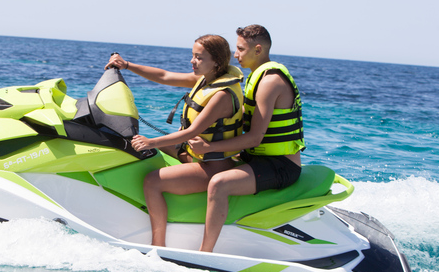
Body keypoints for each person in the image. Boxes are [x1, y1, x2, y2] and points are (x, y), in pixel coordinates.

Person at [106, 35, 244, 247]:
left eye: (198, 57)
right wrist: (126, 65)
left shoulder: (222, 95)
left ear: (216, 61)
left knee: (153, 181)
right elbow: (164, 75)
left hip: (212, 166)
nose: (192, 61)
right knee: (136, 145)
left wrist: (151, 142)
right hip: (195, 153)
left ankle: (158, 246)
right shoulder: (206, 80)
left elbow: (192, 132)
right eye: (192, 55)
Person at [188, 25, 305, 252]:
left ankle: (205, 252)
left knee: (219, 184)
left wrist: (210, 146)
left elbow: (254, 138)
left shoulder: (270, 81)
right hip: (256, 159)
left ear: (258, 49)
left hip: (281, 166)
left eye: (240, 49)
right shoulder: (254, 77)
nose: (236, 54)